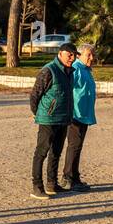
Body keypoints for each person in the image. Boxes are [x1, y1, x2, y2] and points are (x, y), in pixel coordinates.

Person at [29, 42, 77, 199]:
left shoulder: (69, 71)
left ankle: (52, 183)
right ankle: (37, 186)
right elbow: (35, 94)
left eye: (74, 55)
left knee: (56, 152)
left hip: (63, 118)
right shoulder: (49, 70)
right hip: (48, 119)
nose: (72, 57)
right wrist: (39, 114)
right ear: (60, 53)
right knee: (41, 152)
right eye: (69, 54)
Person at [62, 43, 98, 191]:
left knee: (78, 147)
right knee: (74, 146)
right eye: (88, 55)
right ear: (79, 55)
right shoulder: (76, 69)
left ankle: (75, 177)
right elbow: (67, 90)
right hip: (75, 115)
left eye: (93, 54)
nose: (91, 57)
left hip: (84, 114)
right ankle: (68, 178)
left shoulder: (86, 70)